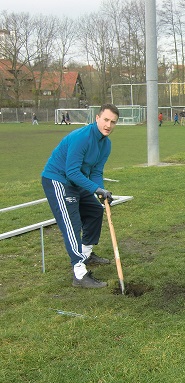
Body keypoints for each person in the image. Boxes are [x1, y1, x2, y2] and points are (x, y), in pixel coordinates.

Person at [41, 103, 120, 288]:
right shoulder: (82, 137)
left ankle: (86, 253)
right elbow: (71, 172)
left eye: (113, 122)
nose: (108, 125)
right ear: (97, 118)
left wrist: (100, 191)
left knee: (94, 210)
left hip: (77, 181)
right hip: (58, 180)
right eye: (106, 120)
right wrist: (95, 189)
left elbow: (96, 172)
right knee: (72, 224)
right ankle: (79, 273)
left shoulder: (105, 144)